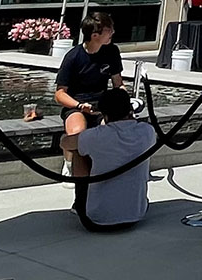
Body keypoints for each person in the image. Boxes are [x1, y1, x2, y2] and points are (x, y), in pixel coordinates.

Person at [63, 86, 156, 231]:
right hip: (135, 215)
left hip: (95, 220)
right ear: (130, 110)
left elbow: (65, 142)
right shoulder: (147, 132)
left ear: (104, 115)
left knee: (79, 151)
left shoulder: (96, 137)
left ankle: (79, 201)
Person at [55, 11, 124, 153]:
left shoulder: (112, 51)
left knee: (114, 131)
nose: (113, 32)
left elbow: (118, 84)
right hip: (76, 105)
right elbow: (60, 94)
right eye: (109, 30)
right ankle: (69, 165)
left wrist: (124, 102)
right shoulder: (73, 57)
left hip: (102, 107)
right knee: (78, 134)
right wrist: (80, 106)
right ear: (94, 36)